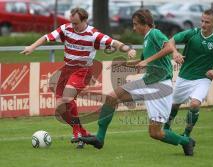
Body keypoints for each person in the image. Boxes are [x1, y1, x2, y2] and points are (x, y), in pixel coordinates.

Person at [74, 8, 196, 156]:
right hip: (147, 82)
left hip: (160, 86)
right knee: (112, 97)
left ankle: (185, 141)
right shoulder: (147, 38)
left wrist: (147, 61)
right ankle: (99, 138)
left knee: (155, 133)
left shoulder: (155, 34)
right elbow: (144, 61)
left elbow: (169, 47)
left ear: (145, 24)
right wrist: (125, 65)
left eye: (135, 24)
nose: (133, 27)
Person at [20, 7, 136, 149]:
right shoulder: (66, 28)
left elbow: (113, 42)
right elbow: (47, 37)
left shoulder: (93, 34)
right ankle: (82, 132)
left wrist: (129, 49)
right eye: (72, 23)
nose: (73, 26)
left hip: (83, 70)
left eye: (76, 23)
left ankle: (77, 132)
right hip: (67, 69)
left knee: (67, 98)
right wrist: (32, 47)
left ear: (84, 21)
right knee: (60, 108)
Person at [162, 9, 213, 138]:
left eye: (207, 22)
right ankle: (166, 127)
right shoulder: (192, 34)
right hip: (184, 76)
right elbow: (171, 40)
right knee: (175, 104)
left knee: (194, 104)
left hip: (203, 79)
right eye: (202, 21)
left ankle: (186, 134)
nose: (203, 24)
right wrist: (175, 52)